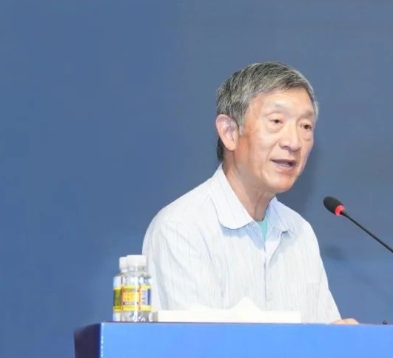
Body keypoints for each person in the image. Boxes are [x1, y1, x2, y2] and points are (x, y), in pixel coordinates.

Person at [142, 61, 357, 324]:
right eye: (276, 121)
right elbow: (197, 345)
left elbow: (324, 334)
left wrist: (340, 338)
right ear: (229, 132)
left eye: (305, 126)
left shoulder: (300, 232)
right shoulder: (182, 229)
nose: (293, 142)